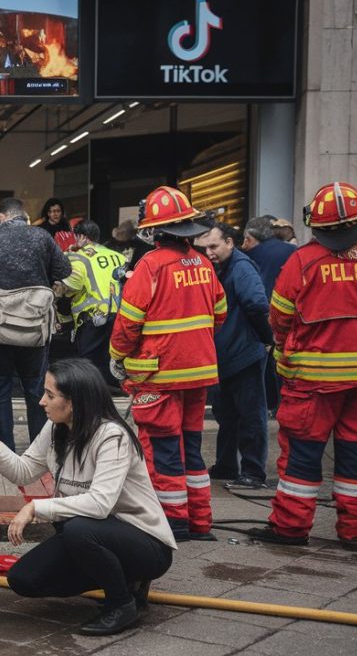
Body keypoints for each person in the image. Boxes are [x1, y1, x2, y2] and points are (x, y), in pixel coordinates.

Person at [0, 359, 176, 636]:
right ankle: (125, 580)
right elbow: (24, 471)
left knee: (76, 527)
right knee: (23, 580)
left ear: (74, 401)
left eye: (50, 395)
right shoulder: (55, 428)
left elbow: (100, 504)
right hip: (92, 534)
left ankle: (122, 604)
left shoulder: (112, 436)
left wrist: (36, 507)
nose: (41, 402)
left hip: (146, 544)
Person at [252, 182, 357, 550]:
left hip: (311, 383)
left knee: (301, 460)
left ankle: (291, 529)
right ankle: (356, 533)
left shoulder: (303, 261)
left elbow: (278, 317)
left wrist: (284, 349)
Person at [109, 187, 226, 542]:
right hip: (198, 374)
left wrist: (117, 358)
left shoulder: (150, 265)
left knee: (163, 453)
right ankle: (200, 521)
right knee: (191, 449)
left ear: (154, 231)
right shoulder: (204, 264)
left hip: (158, 376)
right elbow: (219, 314)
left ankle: (172, 523)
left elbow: (128, 323)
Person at [0, 198, 71, 449]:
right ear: (23, 216)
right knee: (37, 389)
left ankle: (6, 448)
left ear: (2, 217)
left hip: (0, 330)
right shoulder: (42, 237)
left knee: (1, 388)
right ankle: (38, 449)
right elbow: (64, 270)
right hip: (36, 330)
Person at [194, 222, 272, 489]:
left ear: (230, 242)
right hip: (227, 356)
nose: (210, 252)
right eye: (206, 248)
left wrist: (266, 340)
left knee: (251, 415)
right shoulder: (223, 268)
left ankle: (253, 472)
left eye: (214, 246)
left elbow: (257, 304)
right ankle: (227, 466)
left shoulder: (241, 267)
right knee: (226, 415)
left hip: (245, 355)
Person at [60, 220, 125, 387]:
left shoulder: (77, 257)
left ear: (81, 236)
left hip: (92, 320)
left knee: (88, 368)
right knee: (112, 364)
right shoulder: (118, 256)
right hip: (119, 317)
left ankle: (92, 404)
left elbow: (70, 287)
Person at [241, 214, 296, 412]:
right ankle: (282, 404)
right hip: (288, 315)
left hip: (260, 317)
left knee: (262, 368)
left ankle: (268, 404)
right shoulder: (294, 252)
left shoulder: (247, 256)